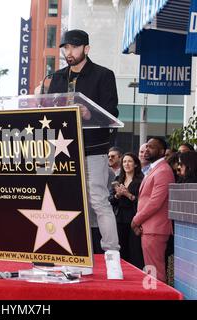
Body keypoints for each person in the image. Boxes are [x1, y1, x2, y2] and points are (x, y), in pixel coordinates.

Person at [47, 29, 123, 279]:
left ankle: (112, 256)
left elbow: (112, 112)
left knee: (98, 201)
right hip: (63, 150)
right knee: (71, 205)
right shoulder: (56, 78)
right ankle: (79, 257)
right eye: (65, 48)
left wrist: (90, 112)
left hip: (94, 148)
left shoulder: (103, 75)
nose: (69, 53)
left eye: (74, 47)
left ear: (86, 49)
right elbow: (46, 110)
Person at [132, 137, 175, 282]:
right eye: (146, 147)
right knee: (151, 270)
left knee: (155, 270)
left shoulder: (163, 171)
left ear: (162, 151)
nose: (146, 150)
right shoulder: (154, 169)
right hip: (148, 228)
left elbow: (155, 203)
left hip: (155, 229)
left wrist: (136, 220)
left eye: (151, 147)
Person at [108, 152, 144, 269]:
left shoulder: (141, 180)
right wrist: (118, 195)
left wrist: (128, 195)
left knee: (134, 251)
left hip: (134, 219)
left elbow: (143, 202)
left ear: (135, 164)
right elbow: (110, 200)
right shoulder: (118, 179)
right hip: (119, 218)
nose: (126, 164)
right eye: (124, 161)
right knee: (120, 249)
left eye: (129, 161)